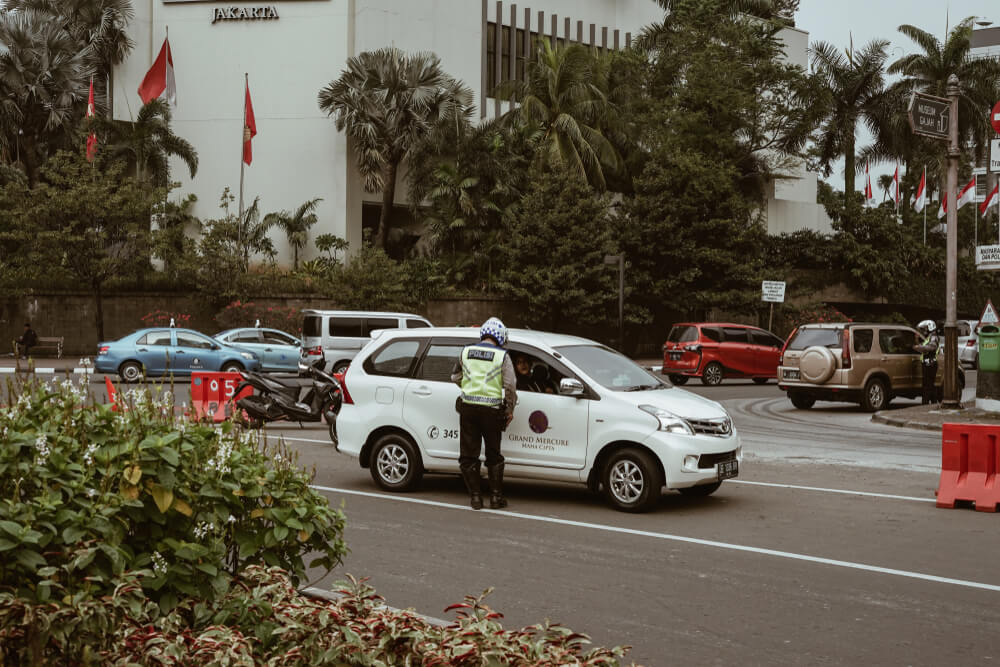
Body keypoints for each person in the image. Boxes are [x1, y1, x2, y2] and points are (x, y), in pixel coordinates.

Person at [451, 317, 516, 510]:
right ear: (501, 336)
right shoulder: (502, 356)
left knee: (468, 454)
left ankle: (475, 498)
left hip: (468, 408)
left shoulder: (466, 351)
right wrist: (510, 408)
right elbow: (511, 385)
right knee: (493, 454)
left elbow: (454, 376)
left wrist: (469, 386)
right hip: (492, 411)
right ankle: (496, 498)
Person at [914, 319, 941, 405]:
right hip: (927, 363)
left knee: (927, 385)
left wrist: (918, 347)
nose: (924, 330)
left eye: (926, 328)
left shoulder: (933, 337)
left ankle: (925, 403)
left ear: (930, 327)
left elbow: (930, 348)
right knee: (929, 384)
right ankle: (933, 402)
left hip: (930, 364)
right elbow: (923, 346)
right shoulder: (929, 337)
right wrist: (917, 340)